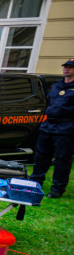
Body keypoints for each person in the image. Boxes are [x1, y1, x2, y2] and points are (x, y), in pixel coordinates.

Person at [30, 58, 74, 199]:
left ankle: (58, 188)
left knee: (62, 159)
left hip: (66, 127)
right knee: (41, 155)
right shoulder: (57, 86)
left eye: (70, 67)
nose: (66, 69)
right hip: (49, 125)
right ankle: (36, 181)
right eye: (65, 67)